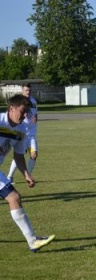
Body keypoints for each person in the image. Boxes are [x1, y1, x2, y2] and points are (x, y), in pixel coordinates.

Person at [1, 94, 55, 252]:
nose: (25, 116)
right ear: (11, 109)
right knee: (14, 197)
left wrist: (26, 174)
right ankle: (32, 241)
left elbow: (18, 155)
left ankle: (32, 241)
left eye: (27, 113)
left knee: (14, 198)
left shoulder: (21, 129)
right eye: (22, 111)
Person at [7, 83, 39, 182]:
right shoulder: (18, 103)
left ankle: (28, 176)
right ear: (22, 91)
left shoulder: (33, 101)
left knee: (34, 155)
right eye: (26, 90)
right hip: (22, 133)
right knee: (19, 155)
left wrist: (35, 117)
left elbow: (35, 113)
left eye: (29, 90)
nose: (28, 92)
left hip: (32, 134)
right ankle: (10, 176)